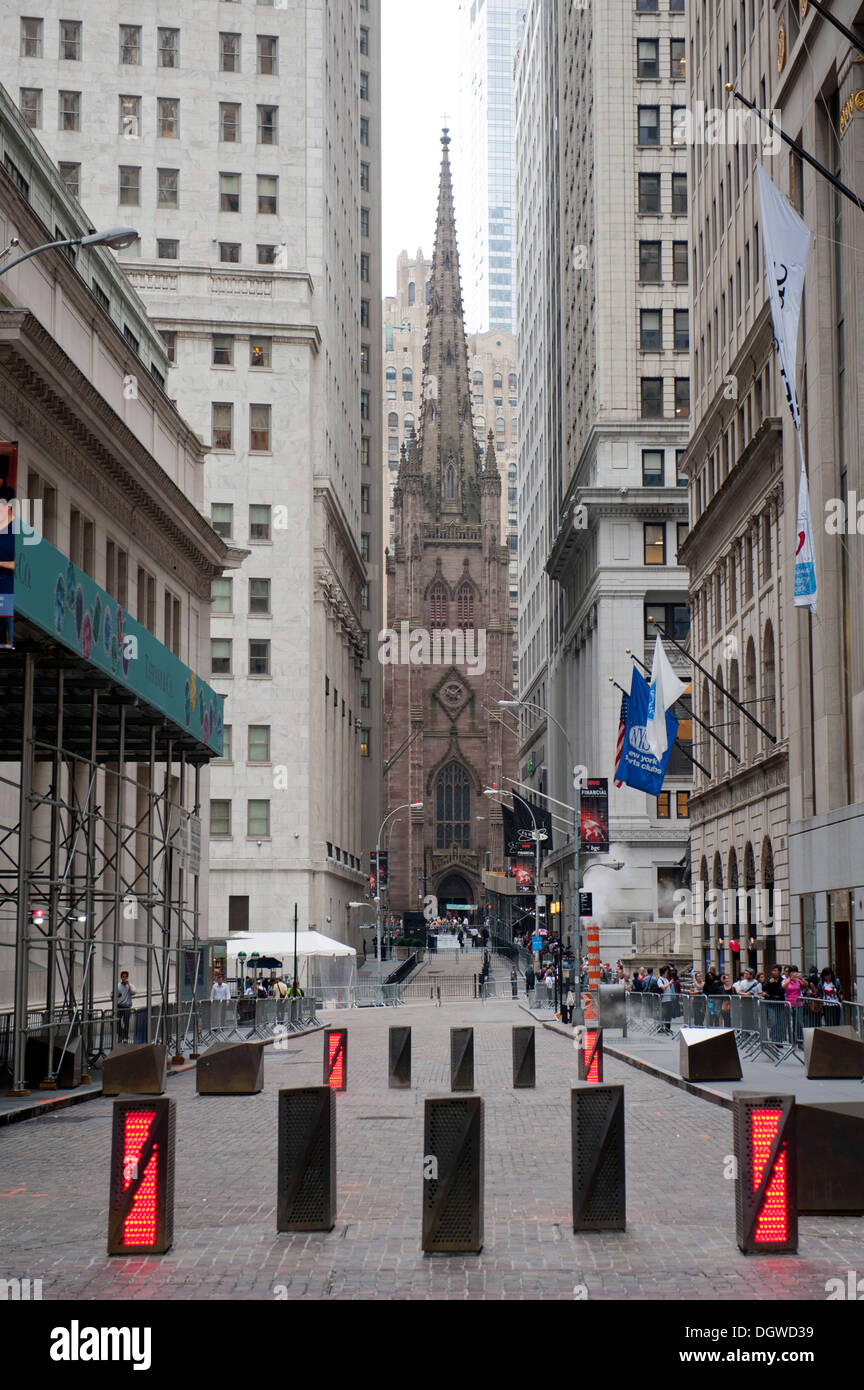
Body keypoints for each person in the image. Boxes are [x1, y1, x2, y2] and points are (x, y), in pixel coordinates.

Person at [117, 970, 135, 1042]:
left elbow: (133, 992)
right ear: (121, 977)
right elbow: (111, 995)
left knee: (126, 1022)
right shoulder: (117, 985)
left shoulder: (130, 985)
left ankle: (125, 1037)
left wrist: (129, 985)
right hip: (119, 1006)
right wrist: (116, 995)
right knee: (117, 1022)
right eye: (123, 976)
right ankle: (121, 1035)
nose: (124, 978)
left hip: (127, 1007)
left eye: (126, 977)